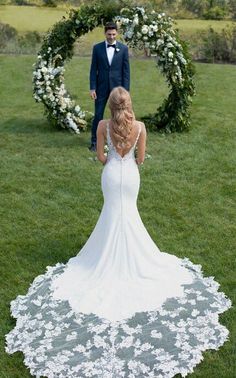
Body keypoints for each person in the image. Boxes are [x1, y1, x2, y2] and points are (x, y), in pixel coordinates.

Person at [6, 87, 231, 377]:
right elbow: (140, 159)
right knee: (129, 215)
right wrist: (128, 158)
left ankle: (105, 257)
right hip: (130, 178)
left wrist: (113, 158)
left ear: (109, 105)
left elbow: (100, 157)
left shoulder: (102, 125)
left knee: (113, 215)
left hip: (111, 175)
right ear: (129, 104)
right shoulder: (140, 127)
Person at [89, 22, 130, 152]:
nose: (111, 37)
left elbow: (126, 71)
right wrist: (92, 88)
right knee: (98, 114)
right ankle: (95, 142)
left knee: (119, 115)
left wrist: (125, 91)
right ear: (105, 33)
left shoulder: (123, 49)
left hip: (117, 88)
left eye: (113, 34)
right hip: (101, 87)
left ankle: (120, 140)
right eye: (109, 34)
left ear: (117, 33)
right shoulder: (97, 48)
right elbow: (93, 69)